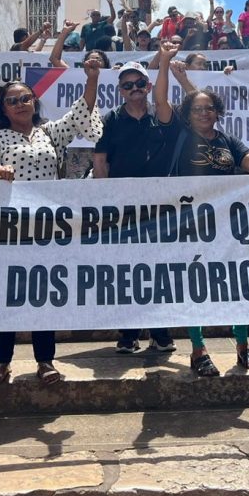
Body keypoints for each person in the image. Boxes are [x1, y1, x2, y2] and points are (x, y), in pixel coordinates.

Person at [0, 60, 105, 386]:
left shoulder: (49, 132)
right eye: (12, 100)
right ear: (2, 109)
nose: (20, 104)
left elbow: (80, 112)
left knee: (42, 292)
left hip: (46, 226)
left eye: (25, 98)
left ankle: (45, 360)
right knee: (6, 293)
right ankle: (2, 361)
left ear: (34, 102)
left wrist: (92, 78)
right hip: (9, 226)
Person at [156, 43, 249, 376]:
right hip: (191, 225)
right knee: (195, 285)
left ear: (218, 112)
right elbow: (161, 101)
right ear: (188, 115)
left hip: (227, 225)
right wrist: (166, 64)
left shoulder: (228, 140)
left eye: (210, 109)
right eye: (198, 109)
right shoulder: (178, 134)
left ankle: (243, 346)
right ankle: (198, 350)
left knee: (236, 282)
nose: (205, 114)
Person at [92, 59, 177, 355]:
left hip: (159, 206)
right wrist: (107, 203)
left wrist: (166, 62)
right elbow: (100, 162)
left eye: (140, 83)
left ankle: (160, 331)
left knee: (159, 269)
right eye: (127, 85)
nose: (135, 89)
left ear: (148, 86)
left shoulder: (162, 116)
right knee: (127, 269)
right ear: (120, 91)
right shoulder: (110, 120)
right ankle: (128, 333)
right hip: (123, 207)